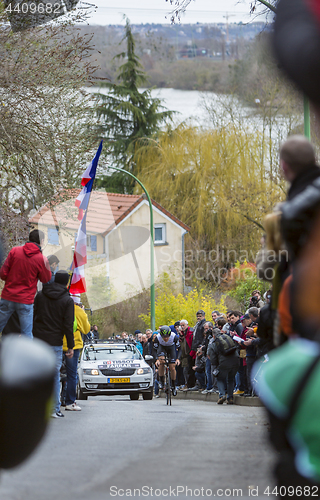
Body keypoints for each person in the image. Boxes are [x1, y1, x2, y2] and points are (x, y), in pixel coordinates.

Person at [33, 270, 74, 418]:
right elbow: (68, 325)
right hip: (55, 341)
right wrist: (71, 346)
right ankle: (54, 409)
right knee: (54, 375)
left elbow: (33, 315)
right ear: (67, 283)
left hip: (38, 340)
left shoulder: (41, 295)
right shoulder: (67, 300)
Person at [0, 229, 51, 338]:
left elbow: (3, 274)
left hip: (8, 296)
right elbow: (46, 279)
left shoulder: (14, 251)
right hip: (25, 300)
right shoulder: (42, 259)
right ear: (41, 241)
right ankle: (28, 355)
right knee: (27, 334)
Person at [62, 294, 90, 411]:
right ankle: (70, 401)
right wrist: (83, 313)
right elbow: (86, 329)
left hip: (57, 343)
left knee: (54, 373)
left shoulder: (60, 307)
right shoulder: (78, 311)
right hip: (73, 345)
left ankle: (55, 401)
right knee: (71, 375)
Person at [208, 327, 239, 405]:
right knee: (231, 379)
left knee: (220, 378)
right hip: (235, 360)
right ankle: (230, 398)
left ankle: (222, 396)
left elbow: (213, 359)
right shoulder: (228, 337)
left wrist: (215, 367)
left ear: (213, 336)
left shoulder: (214, 343)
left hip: (224, 363)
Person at [154, 325, 181, 396]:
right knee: (161, 361)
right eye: (164, 337)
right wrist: (157, 359)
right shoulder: (158, 337)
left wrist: (178, 358)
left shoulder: (174, 336)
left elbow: (179, 348)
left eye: (167, 337)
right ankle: (161, 381)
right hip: (162, 348)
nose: (165, 338)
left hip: (171, 348)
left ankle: (173, 385)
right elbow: (154, 349)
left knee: (172, 367)